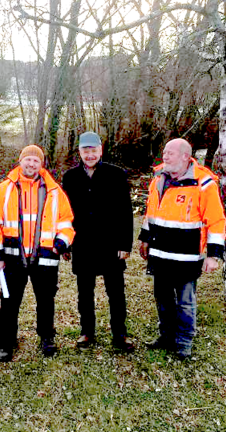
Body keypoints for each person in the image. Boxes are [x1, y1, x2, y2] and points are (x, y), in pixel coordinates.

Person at [138, 138, 226, 359]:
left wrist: (214, 256)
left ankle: (184, 343)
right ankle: (166, 336)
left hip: (187, 257)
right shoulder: (158, 180)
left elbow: (216, 220)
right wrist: (145, 239)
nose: (165, 157)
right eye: (165, 152)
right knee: (163, 299)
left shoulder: (203, 184)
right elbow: (151, 213)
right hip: (159, 255)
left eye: (170, 153)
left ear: (186, 156)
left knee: (186, 302)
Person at [0, 145, 75, 362]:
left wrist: (60, 245)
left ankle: (47, 338)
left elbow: (67, 224)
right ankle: (6, 343)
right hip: (12, 258)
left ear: (41, 164)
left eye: (36, 161)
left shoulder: (55, 191)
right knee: (9, 302)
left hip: (45, 257)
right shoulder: (4, 189)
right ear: (20, 161)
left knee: (46, 300)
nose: (31, 164)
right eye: (28, 159)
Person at [62, 131, 135, 352]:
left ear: (100, 150)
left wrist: (125, 244)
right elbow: (64, 213)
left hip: (111, 244)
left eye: (93, 150)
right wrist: (65, 243)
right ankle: (87, 332)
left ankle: (120, 334)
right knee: (85, 292)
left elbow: (125, 211)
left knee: (116, 291)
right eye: (86, 150)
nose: (90, 154)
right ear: (80, 152)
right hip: (82, 244)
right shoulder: (70, 177)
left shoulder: (116, 174)